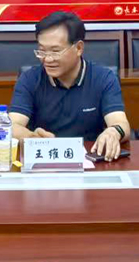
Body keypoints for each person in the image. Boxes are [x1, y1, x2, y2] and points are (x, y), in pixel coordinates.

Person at [8, 11, 130, 161]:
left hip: (90, 160)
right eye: (42, 51)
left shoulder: (104, 78)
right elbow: (11, 126)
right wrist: (31, 137)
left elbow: (121, 123)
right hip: (45, 161)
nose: (47, 59)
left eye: (55, 51)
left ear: (79, 48)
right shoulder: (29, 79)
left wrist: (113, 132)